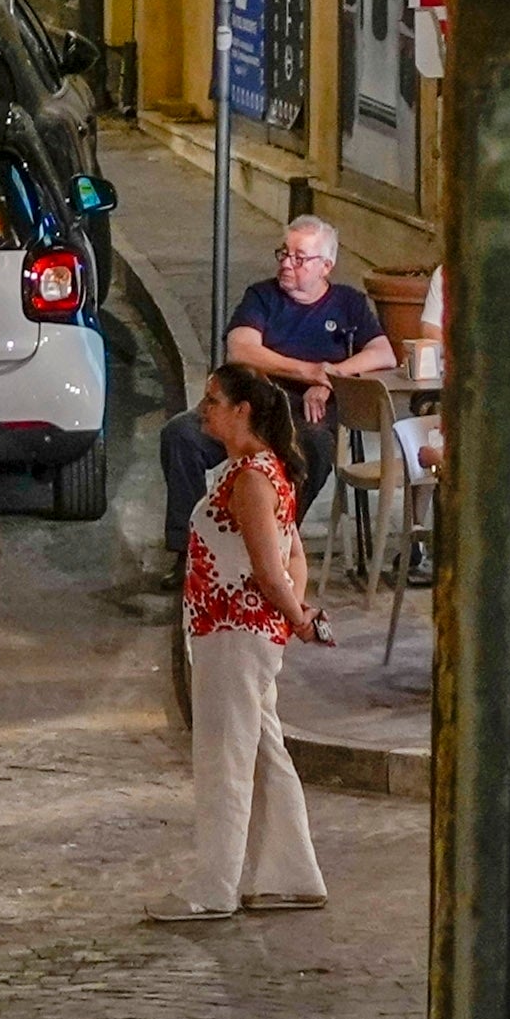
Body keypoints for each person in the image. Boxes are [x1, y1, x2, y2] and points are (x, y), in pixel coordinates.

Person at [156, 367, 329, 924]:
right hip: (243, 633)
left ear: (243, 411)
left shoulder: (250, 478)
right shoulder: (261, 472)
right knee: (261, 750)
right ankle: (289, 874)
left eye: (213, 400)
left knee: (224, 757)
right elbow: (291, 557)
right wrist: (289, 620)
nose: (204, 409)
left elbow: (271, 568)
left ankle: (215, 886)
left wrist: (294, 618)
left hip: (233, 634)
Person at [225, 214, 398, 532]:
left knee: (314, 447)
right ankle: (188, 548)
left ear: (325, 266)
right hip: (259, 401)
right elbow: (240, 348)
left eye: (299, 258)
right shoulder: (262, 297)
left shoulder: (348, 303)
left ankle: (277, 536)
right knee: (183, 436)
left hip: (311, 412)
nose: (287, 264)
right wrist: (310, 372)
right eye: (284, 253)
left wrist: (330, 377)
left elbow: (383, 353)